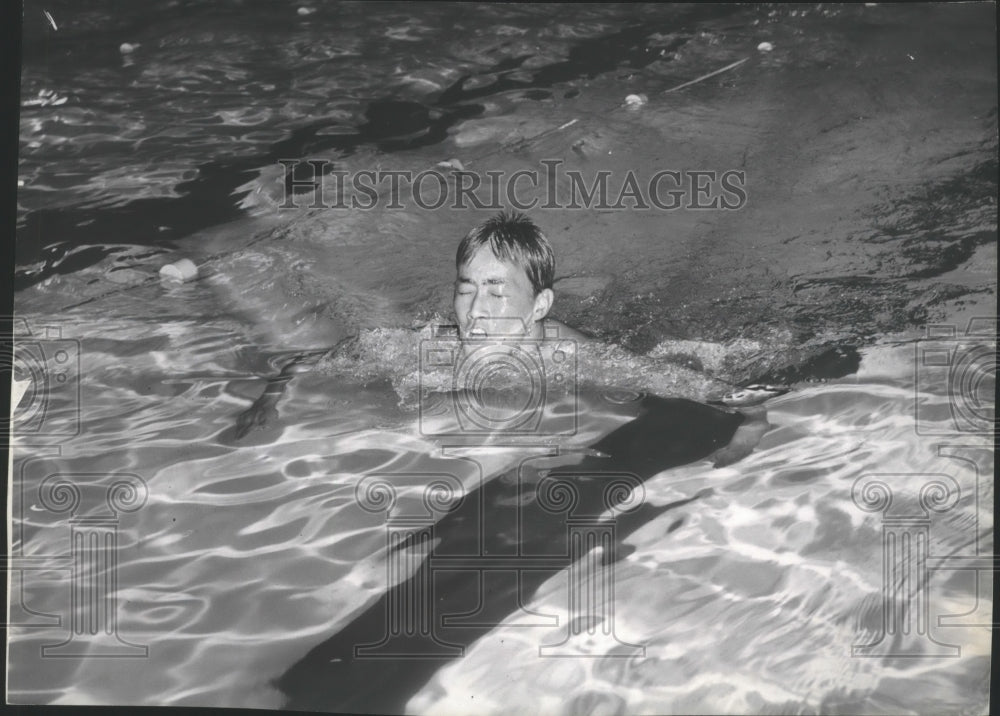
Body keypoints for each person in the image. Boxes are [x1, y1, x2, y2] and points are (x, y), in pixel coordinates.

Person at [235, 210, 586, 438]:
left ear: (540, 305)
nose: (475, 309)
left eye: (496, 293)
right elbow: (308, 361)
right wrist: (268, 400)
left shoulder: (574, 356)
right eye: (465, 291)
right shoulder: (432, 347)